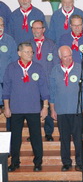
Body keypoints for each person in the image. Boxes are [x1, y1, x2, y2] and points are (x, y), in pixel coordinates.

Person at [3, 42, 49, 172]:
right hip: (16, 109)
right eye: (27, 52)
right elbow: (6, 90)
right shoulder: (11, 68)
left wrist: (45, 107)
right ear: (19, 53)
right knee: (15, 137)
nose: (30, 54)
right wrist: (7, 107)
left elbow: (44, 89)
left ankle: (38, 162)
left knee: (36, 137)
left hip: (33, 108)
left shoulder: (38, 68)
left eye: (31, 52)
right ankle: (15, 162)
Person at [50, 46, 83, 171]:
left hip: (77, 110)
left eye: (69, 56)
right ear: (60, 57)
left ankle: (80, 163)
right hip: (61, 110)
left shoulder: (80, 68)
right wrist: (52, 109)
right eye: (65, 56)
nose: (68, 59)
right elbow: (52, 92)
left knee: (78, 139)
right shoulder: (55, 70)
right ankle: (66, 162)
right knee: (64, 139)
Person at [59, 14, 83, 140]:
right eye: (74, 25)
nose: (77, 28)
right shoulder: (64, 38)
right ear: (70, 26)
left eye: (79, 25)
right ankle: (70, 132)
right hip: (68, 76)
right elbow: (60, 58)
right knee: (71, 104)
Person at [27, 20, 59, 141]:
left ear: (43, 29)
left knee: (49, 107)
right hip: (32, 84)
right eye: (34, 28)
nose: (36, 31)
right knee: (33, 109)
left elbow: (56, 64)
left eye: (39, 28)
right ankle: (34, 133)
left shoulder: (51, 44)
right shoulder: (27, 45)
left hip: (48, 82)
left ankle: (48, 132)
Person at [0, 16, 19, 131]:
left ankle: (10, 141)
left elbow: (14, 62)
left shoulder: (10, 40)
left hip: (6, 83)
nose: (0, 28)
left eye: (1, 25)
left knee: (9, 112)